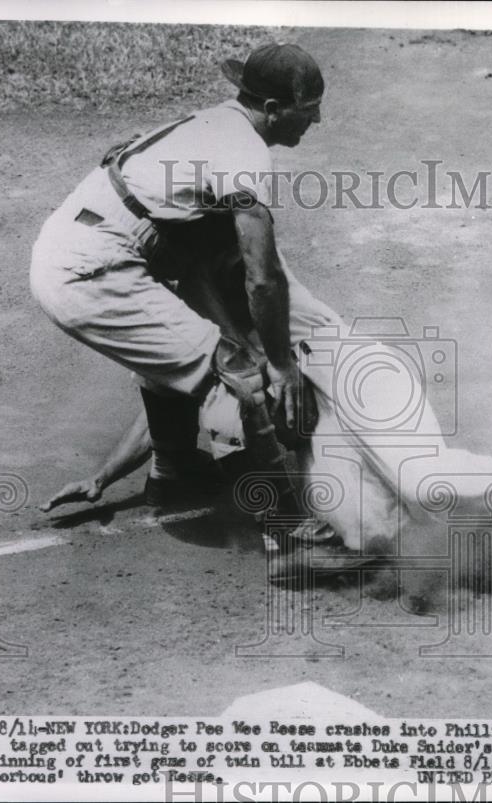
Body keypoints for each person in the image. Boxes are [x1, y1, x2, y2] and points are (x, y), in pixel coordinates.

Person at [30, 42, 325, 507]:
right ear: (272, 109)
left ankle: (173, 473)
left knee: (193, 350)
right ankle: (288, 536)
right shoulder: (242, 153)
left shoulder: (205, 131)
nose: (317, 121)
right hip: (92, 266)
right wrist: (282, 367)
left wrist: (104, 475)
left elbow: (178, 364)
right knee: (239, 374)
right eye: (308, 109)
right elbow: (263, 278)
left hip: (73, 252)